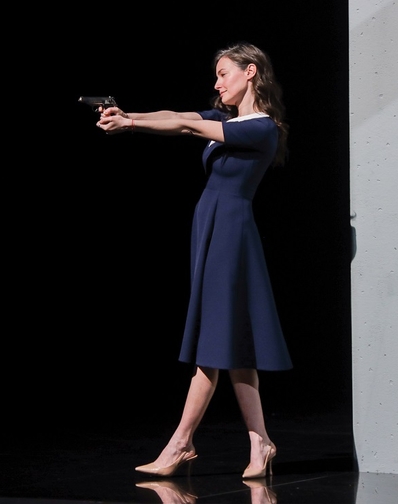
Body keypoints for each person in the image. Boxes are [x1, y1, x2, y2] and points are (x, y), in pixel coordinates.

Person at [95, 42, 293, 479]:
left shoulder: (262, 128)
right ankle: (261, 442)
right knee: (234, 342)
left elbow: (187, 125)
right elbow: (178, 116)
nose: (217, 82)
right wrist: (128, 116)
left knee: (214, 341)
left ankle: (181, 443)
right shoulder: (229, 120)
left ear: (251, 72)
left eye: (224, 73)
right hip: (213, 228)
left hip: (231, 233)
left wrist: (129, 124)